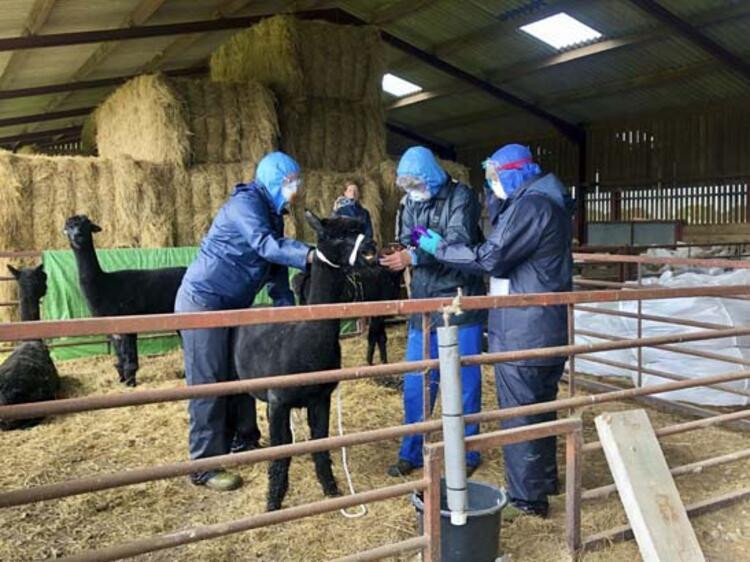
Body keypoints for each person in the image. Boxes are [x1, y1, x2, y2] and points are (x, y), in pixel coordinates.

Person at [414, 144, 574, 519]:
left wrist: (440, 248)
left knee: (520, 413)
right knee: (540, 408)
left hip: (525, 329)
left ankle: (527, 499)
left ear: (516, 173)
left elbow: (490, 257)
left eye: (495, 178)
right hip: (542, 324)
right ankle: (543, 480)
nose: (492, 186)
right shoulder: (543, 201)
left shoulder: (533, 206)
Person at [175, 151, 313, 492]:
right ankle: (203, 466)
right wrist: (310, 255)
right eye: (289, 181)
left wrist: (288, 311)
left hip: (233, 303)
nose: (295, 188)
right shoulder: (245, 205)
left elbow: (276, 270)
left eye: (296, 181)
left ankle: (245, 439)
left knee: (239, 372)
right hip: (202, 301)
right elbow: (266, 246)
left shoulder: (272, 213)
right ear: (272, 180)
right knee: (209, 382)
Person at [380, 146, 486, 477]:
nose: (413, 191)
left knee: (463, 379)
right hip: (423, 300)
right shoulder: (410, 201)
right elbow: (408, 235)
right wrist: (408, 250)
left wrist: (416, 255)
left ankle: (467, 453)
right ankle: (411, 450)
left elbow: (458, 241)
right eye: (407, 186)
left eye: (416, 183)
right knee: (418, 381)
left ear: (430, 174)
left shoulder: (461, 197)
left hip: (459, 299)